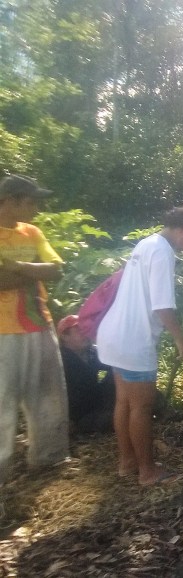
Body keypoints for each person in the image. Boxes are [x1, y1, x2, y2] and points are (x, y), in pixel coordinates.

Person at [96, 207, 183, 485]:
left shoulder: (146, 244)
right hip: (134, 339)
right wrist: (180, 339)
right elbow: (162, 305)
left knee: (124, 401)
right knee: (142, 407)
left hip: (114, 333)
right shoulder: (162, 252)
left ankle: (127, 462)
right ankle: (147, 471)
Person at [0, 174, 70, 484]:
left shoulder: (32, 232)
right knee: (3, 403)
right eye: (30, 202)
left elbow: (56, 269)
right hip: (3, 331)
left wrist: (17, 268)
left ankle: (49, 459)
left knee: (49, 395)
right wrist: (34, 272)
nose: (35, 210)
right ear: (9, 201)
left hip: (39, 323)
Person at [57, 315, 116, 434]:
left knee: (117, 372)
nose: (86, 333)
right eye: (80, 330)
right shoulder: (59, 361)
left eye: (87, 329)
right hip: (79, 416)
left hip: (98, 404)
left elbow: (113, 365)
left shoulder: (92, 352)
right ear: (64, 336)